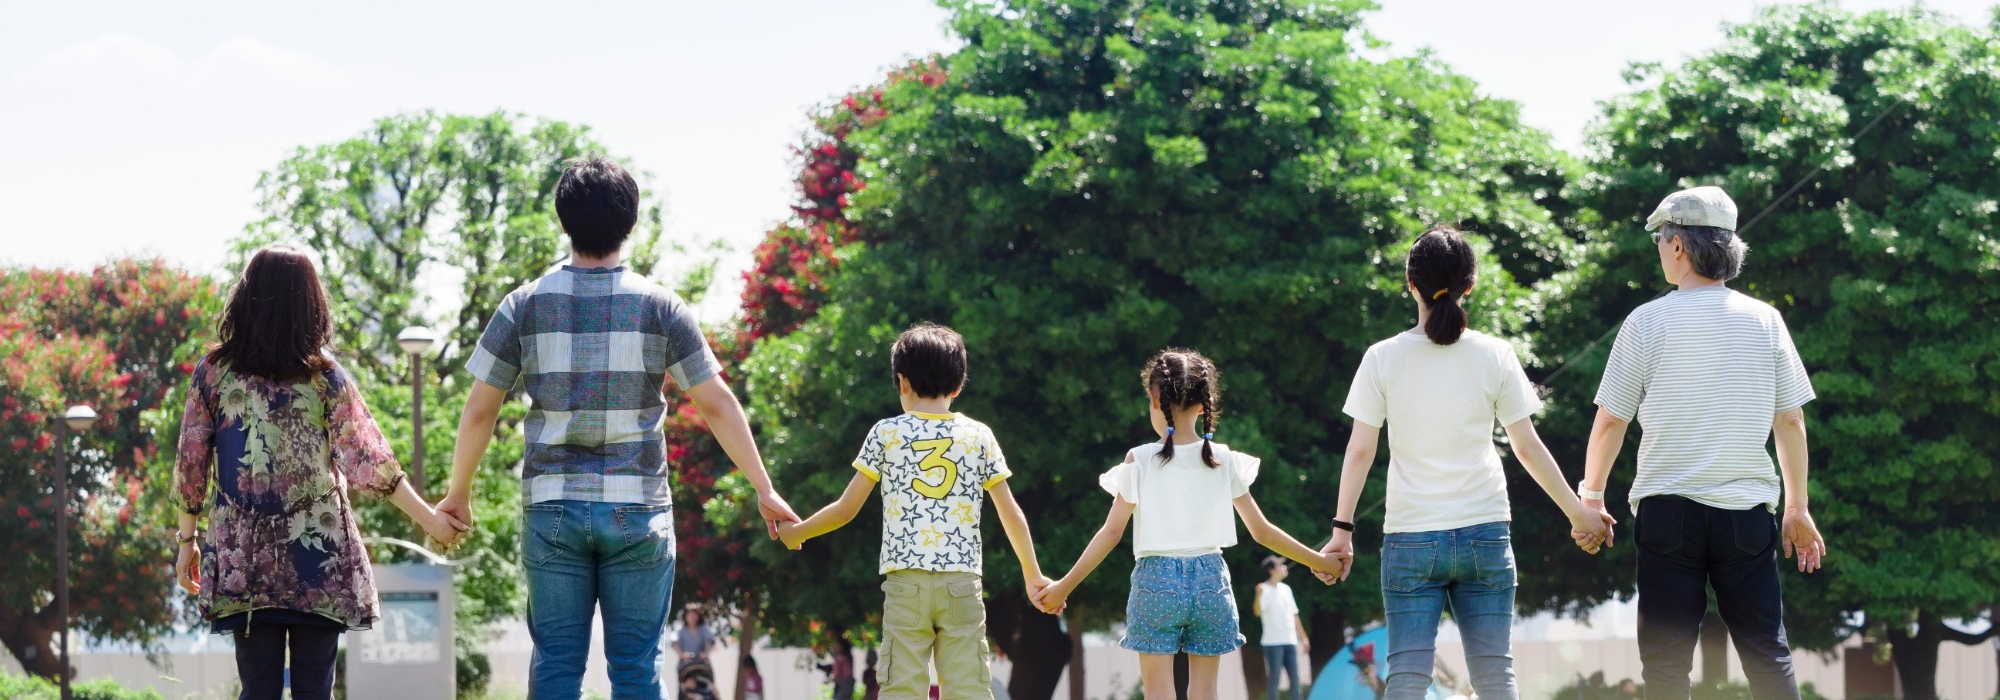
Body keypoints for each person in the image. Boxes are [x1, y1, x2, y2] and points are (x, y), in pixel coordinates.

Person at [438, 156, 800, 700]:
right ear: (630, 223)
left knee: (557, 665)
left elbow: (480, 410)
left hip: (552, 505)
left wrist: (457, 492)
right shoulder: (661, 307)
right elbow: (717, 404)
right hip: (639, 508)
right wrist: (763, 488)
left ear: (564, 222)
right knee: (635, 668)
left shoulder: (523, 305)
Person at [1316, 227, 1612, 700]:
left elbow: (1360, 451)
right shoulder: (1495, 353)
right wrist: (1579, 513)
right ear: (1469, 284)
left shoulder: (1382, 358)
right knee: (1495, 675)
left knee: (1408, 675)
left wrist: (1342, 531)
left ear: (1409, 283)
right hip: (1485, 533)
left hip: (1410, 538)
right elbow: (1527, 446)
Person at [171, 245, 466, 700]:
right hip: (318, 556)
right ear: (310, 304)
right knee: (315, 690)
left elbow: (191, 463)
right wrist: (429, 519)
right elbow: (369, 461)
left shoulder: (213, 373)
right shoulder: (326, 377)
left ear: (246, 298)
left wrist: (186, 542)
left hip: (243, 562)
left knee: (258, 689)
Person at [1578, 186, 1825, 700]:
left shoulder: (1646, 321)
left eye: (1659, 239)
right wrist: (1797, 506)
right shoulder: (1766, 320)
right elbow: (1791, 421)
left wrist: (1592, 498)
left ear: (1678, 246)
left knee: (1666, 665)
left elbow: (1609, 422)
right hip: (1745, 514)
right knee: (1766, 651)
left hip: (1667, 514)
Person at [1034, 349, 1347, 700]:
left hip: (1156, 579)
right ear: (1204, 404)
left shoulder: (1140, 459)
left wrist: (1063, 586)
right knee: (1205, 692)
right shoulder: (1224, 459)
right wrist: (1319, 562)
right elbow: (1261, 530)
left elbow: (1110, 534)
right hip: (1211, 579)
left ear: (1154, 399)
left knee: (1158, 691)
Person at [777, 322, 1054, 700]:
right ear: (958, 386)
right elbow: (1011, 514)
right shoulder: (978, 436)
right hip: (961, 582)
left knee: (902, 687)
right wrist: (1032, 574)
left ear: (902, 382)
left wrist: (798, 531)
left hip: (906, 583)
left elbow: (845, 509)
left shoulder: (886, 434)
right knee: (969, 687)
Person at [1254, 556, 1309, 700]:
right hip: (1272, 643)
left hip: (1290, 641)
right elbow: (1257, 612)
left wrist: (1303, 637)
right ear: (1271, 570)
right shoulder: (1263, 589)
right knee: (1275, 679)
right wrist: (1257, 595)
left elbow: (1294, 615)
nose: (1284, 568)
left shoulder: (1286, 589)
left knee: (1295, 679)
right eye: (1280, 566)